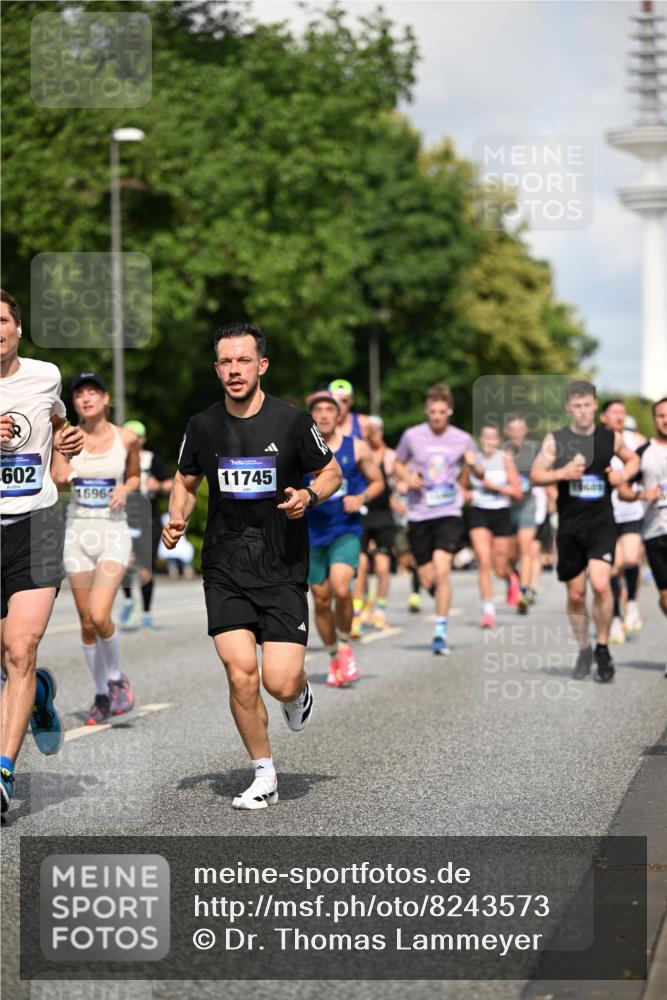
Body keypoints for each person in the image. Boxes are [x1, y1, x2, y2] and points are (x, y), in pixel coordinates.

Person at [162, 323, 341, 810]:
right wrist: (177, 516)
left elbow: (331, 471)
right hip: (225, 563)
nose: (234, 370)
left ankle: (298, 692)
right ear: (216, 368)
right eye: (225, 361)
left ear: (261, 365)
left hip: (281, 562)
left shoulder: (292, 421)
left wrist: (308, 494)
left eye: (243, 360)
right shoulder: (202, 425)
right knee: (240, 672)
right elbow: (185, 479)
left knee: (277, 680)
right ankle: (264, 773)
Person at [0, 289, 84, 814]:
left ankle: (3, 773)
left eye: (2, 320)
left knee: (19, 649)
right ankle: (39, 695)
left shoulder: (45, 374)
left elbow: (54, 419)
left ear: (17, 328)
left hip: (38, 525)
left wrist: (65, 440)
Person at [531, 380, 640, 683]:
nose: (582, 411)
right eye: (576, 406)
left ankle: (603, 647)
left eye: (587, 405)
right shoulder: (556, 440)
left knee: (602, 585)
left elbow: (633, 460)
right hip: (570, 527)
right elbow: (536, 475)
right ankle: (583, 648)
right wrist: (560, 474)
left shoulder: (610, 438)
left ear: (595, 406)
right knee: (576, 594)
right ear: (569, 407)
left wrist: (623, 475)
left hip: (602, 524)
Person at [52, 372, 140, 725]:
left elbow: (133, 475)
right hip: (77, 534)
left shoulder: (128, 439)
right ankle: (102, 694)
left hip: (113, 533)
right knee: (87, 622)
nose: (86, 398)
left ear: (105, 399)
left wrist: (126, 489)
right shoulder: (65, 438)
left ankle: (117, 677)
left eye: (93, 392)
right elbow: (58, 479)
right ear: (74, 403)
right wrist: (61, 468)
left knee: (101, 614)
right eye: (80, 394)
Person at [304, 391, 384, 684]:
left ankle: (346, 647)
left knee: (341, 588)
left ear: (339, 415)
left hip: (345, 530)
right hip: (311, 534)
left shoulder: (357, 447)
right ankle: (333, 653)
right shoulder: (300, 448)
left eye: (329, 409)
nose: (324, 415)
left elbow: (378, 482)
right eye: (318, 410)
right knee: (322, 600)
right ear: (311, 416)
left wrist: (360, 496)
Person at [394, 383, 476, 655]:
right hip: (419, 513)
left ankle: (440, 630)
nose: (437, 416)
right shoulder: (412, 435)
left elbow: (472, 468)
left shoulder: (462, 438)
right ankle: (437, 595)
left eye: (442, 412)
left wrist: (467, 477)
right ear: (427, 411)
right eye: (432, 412)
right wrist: (406, 477)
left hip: (448, 512)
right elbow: (397, 463)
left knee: (442, 570)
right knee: (427, 576)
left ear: (449, 411)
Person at [618, 397, 667, 677]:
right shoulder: (643, 453)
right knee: (665, 597)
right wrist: (640, 494)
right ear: (654, 419)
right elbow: (622, 489)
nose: (665, 419)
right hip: (655, 531)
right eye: (660, 415)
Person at [462, 424, 522, 629]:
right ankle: (488, 611)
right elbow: (462, 485)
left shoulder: (505, 460)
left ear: (498, 441)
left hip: (501, 513)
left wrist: (495, 487)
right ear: (480, 439)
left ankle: (511, 577)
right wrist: (466, 494)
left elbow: (518, 492)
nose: (488, 442)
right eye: (485, 437)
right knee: (484, 562)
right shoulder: (472, 460)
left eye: (492, 438)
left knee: (499, 567)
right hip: (479, 513)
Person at [120, 419, 174, 631]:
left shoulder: (151, 460)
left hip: (145, 520)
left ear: (143, 439)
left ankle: (146, 614)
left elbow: (171, 483)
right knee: (121, 564)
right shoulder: (116, 459)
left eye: (136, 437)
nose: (133, 441)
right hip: (120, 519)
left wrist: (158, 485)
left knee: (144, 569)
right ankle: (128, 601)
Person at [600, 400, 646, 641]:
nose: (619, 416)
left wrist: (624, 478)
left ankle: (633, 605)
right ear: (603, 417)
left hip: (632, 511)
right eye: (614, 412)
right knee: (613, 569)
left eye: (622, 412)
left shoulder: (636, 440)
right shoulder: (596, 441)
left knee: (630, 559)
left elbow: (646, 466)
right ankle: (616, 617)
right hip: (606, 515)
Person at [352, 415, 397, 635]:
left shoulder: (389, 455)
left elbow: (398, 474)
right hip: (362, 514)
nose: (373, 434)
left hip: (383, 516)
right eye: (370, 431)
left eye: (377, 430)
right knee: (360, 566)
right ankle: (357, 616)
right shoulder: (360, 452)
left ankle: (380, 611)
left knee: (382, 567)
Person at [504, 414, 540, 613]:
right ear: (507, 431)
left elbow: (545, 472)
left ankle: (524, 591)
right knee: (508, 555)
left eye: (520, 428)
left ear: (525, 430)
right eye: (513, 429)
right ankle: (514, 579)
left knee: (526, 548)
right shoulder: (502, 452)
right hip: (505, 505)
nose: (517, 432)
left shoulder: (534, 449)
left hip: (527, 503)